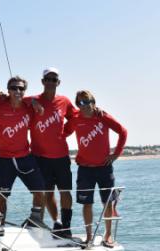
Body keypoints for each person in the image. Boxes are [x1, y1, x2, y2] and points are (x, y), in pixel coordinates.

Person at [64, 90, 127, 247]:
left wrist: (116, 154)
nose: (83, 106)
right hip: (85, 169)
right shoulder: (76, 119)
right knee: (87, 204)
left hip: (105, 168)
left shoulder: (102, 116)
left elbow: (123, 132)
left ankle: (108, 235)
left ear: (93, 102)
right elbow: (61, 133)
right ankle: (89, 236)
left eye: (86, 102)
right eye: (79, 103)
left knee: (108, 203)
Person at [28, 67, 77, 237]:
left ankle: (66, 227)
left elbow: (76, 117)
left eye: (54, 79)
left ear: (58, 82)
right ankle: (55, 222)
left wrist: (66, 132)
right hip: (40, 157)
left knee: (65, 192)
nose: (50, 82)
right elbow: (14, 98)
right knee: (46, 193)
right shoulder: (32, 100)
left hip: (61, 156)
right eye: (47, 79)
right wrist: (33, 103)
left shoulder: (64, 101)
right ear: (42, 81)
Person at [0, 76, 46, 227]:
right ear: (8, 90)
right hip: (5, 160)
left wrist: (33, 101)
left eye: (21, 88)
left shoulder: (29, 106)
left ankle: (35, 222)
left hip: (25, 157)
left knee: (40, 192)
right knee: (2, 196)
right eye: (14, 88)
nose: (17, 91)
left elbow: (40, 109)